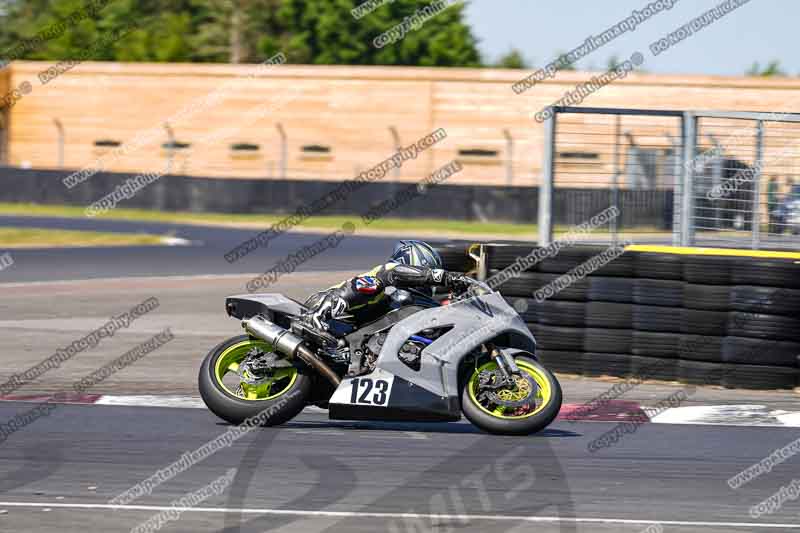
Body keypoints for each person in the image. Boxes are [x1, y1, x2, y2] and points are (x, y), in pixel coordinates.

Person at [304, 240, 470, 332]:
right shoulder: (386, 274)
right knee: (375, 287)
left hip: (348, 334)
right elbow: (394, 273)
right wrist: (443, 276)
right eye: (430, 269)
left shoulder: (410, 302)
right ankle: (323, 310)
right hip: (320, 312)